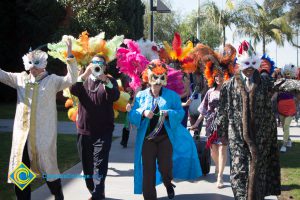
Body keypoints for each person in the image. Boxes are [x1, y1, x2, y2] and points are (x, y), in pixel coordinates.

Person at [214, 40, 300, 199]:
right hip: (238, 136)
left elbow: (282, 84)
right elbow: (223, 111)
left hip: (261, 135)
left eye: (253, 64)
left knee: (259, 172)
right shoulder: (229, 86)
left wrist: (297, 85)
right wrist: (222, 133)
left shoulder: (265, 82)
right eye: (246, 64)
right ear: (239, 63)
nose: (249, 69)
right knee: (239, 172)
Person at [1, 38, 77, 200]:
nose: (33, 68)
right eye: (30, 63)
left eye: (36, 63)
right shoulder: (20, 79)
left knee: (49, 172)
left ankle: (58, 196)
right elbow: (3, 75)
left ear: (43, 65)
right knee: (21, 174)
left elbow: (71, 79)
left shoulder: (52, 81)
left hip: (43, 138)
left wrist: (70, 54)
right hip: (22, 139)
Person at [128, 59, 202, 200]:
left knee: (165, 167)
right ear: (148, 78)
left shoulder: (172, 96)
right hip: (147, 140)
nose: (157, 81)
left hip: (165, 139)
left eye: (161, 77)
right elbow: (132, 115)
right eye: (154, 77)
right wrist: (142, 113)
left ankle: (168, 183)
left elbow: (180, 112)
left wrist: (169, 113)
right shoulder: (141, 96)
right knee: (148, 171)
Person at [70, 54, 120, 200]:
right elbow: (74, 90)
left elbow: (115, 96)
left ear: (105, 67)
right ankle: (94, 190)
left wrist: (105, 81)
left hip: (103, 132)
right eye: (94, 63)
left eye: (101, 63)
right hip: (84, 131)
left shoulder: (109, 80)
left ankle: (98, 194)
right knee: (87, 166)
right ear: (89, 65)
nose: (97, 65)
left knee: (100, 165)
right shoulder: (83, 80)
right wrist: (84, 74)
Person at [276, 64, 297, 152]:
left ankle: (284, 145)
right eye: (286, 73)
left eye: (289, 73)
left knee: (286, 125)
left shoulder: (294, 83)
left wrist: (296, 101)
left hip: (290, 106)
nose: (287, 75)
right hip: (281, 106)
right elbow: (275, 92)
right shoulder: (279, 82)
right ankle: (288, 140)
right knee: (284, 127)